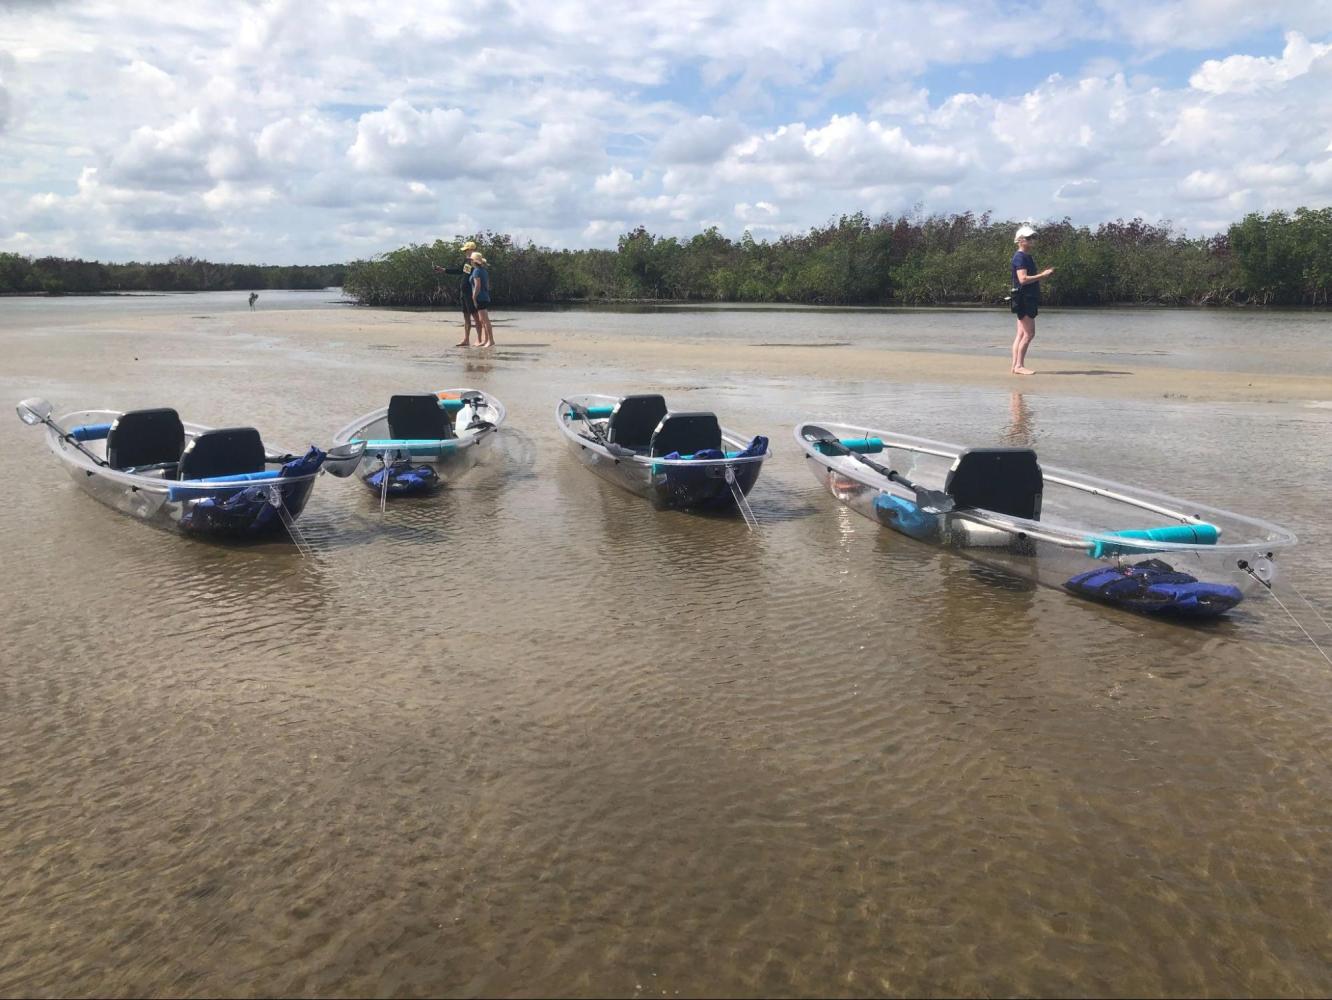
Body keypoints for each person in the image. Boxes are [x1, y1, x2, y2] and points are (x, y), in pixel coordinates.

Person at [1009, 224, 1054, 375]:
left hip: (1025, 297)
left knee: (1021, 334)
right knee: (1029, 334)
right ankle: (1019, 366)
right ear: (1021, 240)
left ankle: (1016, 365)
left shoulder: (1026, 256)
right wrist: (1043, 275)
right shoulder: (1020, 257)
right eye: (1029, 238)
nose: (1032, 240)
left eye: (1033, 238)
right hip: (1024, 298)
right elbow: (1022, 279)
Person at [432, 240, 478, 346]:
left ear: (472, 250)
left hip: (471, 292)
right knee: (466, 317)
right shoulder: (467, 261)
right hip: (464, 291)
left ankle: (480, 339)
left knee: (476, 317)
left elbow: (478, 278)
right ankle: (466, 339)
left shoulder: (476, 262)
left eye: (467, 250)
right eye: (465, 250)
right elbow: (460, 271)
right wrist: (444, 270)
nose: (465, 252)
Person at [468, 251, 494, 348]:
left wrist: (474, 297)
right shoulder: (483, 270)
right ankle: (486, 340)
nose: (470, 262)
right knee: (482, 320)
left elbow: (477, 286)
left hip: (480, 298)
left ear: (474, 262)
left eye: (471, 260)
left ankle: (491, 340)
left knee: (485, 320)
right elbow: (487, 285)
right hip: (485, 296)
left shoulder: (476, 271)